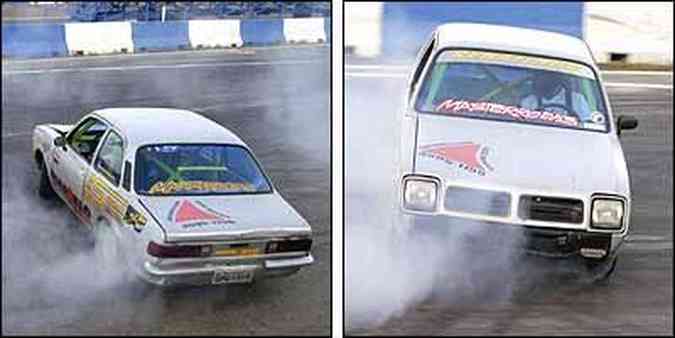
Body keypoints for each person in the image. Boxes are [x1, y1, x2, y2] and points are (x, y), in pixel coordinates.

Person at [520, 72, 592, 121]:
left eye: (549, 77)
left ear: (558, 80)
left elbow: (586, 124)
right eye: (539, 78)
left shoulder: (577, 99)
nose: (543, 81)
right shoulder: (528, 102)